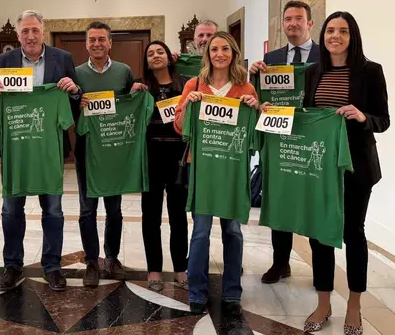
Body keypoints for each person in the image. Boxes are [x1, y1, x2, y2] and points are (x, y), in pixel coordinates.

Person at [300, 12, 389, 335]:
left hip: (356, 166)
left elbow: (383, 119)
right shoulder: (313, 73)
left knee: (353, 233)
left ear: (353, 37)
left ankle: (354, 305)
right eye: (330, 31)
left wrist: (362, 115)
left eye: (343, 31)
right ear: (323, 36)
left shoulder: (370, 72)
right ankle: (323, 303)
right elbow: (307, 115)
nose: (335, 36)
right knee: (319, 233)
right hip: (319, 165)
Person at [0, 10, 81, 292]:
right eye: (25, 31)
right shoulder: (4, 61)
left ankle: (52, 266)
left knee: (53, 210)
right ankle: (12, 265)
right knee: (11, 209)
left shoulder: (62, 59)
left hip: (49, 149)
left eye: (35, 30)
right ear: (18, 36)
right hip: (17, 149)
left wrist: (74, 89)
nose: (30, 36)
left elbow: (76, 101)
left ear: (43, 31)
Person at [173, 32, 259, 315]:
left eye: (225, 48)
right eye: (214, 49)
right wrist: (188, 103)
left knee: (232, 231)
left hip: (233, 172)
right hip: (203, 171)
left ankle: (233, 290)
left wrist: (255, 110)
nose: (219, 54)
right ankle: (197, 291)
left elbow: (255, 131)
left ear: (233, 52)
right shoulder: (194, 85)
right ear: (207, 54)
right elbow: (179, 126)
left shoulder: (245, 88)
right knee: (199, 233)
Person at [249, 0, 321, 284]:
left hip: (312, 138)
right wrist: (255, 74)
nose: (293, 24)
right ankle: (281, 263)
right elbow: (261, 95)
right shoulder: (273, 58)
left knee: (313, 201)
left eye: (298, 19)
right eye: (288, 19)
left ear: (310, 23)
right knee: (278, 199)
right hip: (279, 138)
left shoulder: (324, 55)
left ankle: (321, 267)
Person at [74, 21, 140, 287]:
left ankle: (111, 258)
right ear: (86, 44)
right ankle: (92, 261)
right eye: (92, 40)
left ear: (110, 43)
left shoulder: (124, 72)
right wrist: (76, 102)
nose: (97, 44)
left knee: (114, 210)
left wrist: (137, 92)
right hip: (87, 149)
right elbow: (67, 105)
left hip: (115, 149)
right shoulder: (76, 73)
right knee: (87, 209)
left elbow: (131, 104)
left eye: (102, 39)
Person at [138, 41, 189, 291]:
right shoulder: (142, 88)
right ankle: (154, 270)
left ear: (169, 58)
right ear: (146, 61)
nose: (156, 56)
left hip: (179, 158)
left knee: (178, 216)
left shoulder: (186, 85)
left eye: (160, 52)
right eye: (150, 53)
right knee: (151, 216)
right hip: (151, 158)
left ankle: (181, 268)